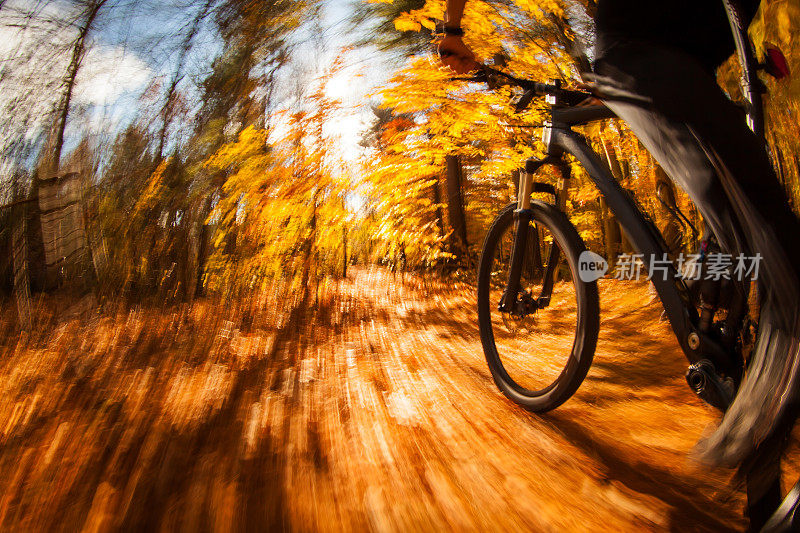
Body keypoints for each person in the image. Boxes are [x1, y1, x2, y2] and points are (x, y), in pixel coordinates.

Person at [439, 1, 800, 530]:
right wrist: (450, 25)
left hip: (674, 56)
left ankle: (741, 381)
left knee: (751, 231)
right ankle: (757, 439)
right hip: (656, 50)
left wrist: (455, 34)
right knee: (757, 231)